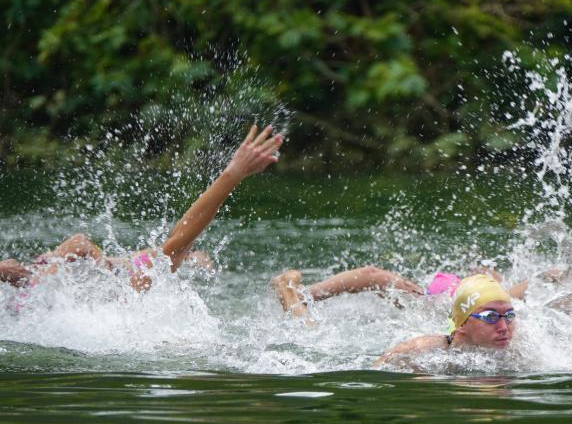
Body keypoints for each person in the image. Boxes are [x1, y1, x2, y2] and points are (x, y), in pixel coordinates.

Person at [2, 124, 282, 292]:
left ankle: (188, 259)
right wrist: (232, 174)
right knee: (165, 255)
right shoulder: (127, 291)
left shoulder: (47, 285)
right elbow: (178, 242)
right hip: (112, 284)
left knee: (165, 256)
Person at [373, 274, 572, 377]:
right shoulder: (428, 347)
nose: (504, 327)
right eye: (491, 317)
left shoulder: (524, 341)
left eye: (509, 316)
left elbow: (565, 363)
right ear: (463, 325)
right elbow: (382, 366)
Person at [270, 266, 529, 321]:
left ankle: (300, 296)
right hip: (447, 297)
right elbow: (371, 275)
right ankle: (297, 295)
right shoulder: (440, 312)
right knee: (375, 277)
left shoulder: (507, 307)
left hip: (468, 291)